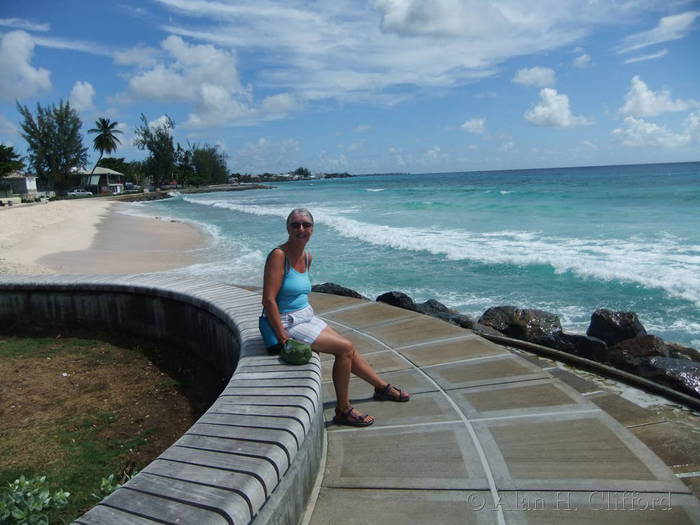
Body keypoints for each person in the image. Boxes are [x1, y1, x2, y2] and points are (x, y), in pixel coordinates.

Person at [262, 208, 410, 427]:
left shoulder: (306, 256)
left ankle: (381, 387)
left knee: (349, 349)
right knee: (344, 348)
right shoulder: (278, 256)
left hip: (306, 315)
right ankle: (343, 410)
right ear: (288, 228)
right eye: (295, 225)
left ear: (312, 229)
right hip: (287, 321)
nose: (301, 229)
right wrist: (283, 337)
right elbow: (268, 300)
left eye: (306, 225)